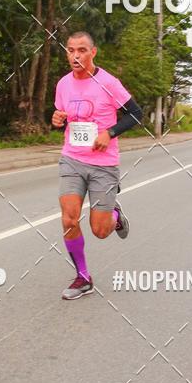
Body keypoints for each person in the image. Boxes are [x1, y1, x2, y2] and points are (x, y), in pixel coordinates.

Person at [52, 31, 143, 300]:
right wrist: (56, 120)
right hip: (72, 159)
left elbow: (136, 115)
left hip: (104, 164)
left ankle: (114, 215)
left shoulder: (109, 83)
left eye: (81, 50)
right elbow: (64, 121)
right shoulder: (63, 84)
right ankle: (83, 277)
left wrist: (110, 133)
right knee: (69, 218)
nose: (75, 55)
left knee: (99, 230)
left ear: (93, 53)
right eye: (70, 50)